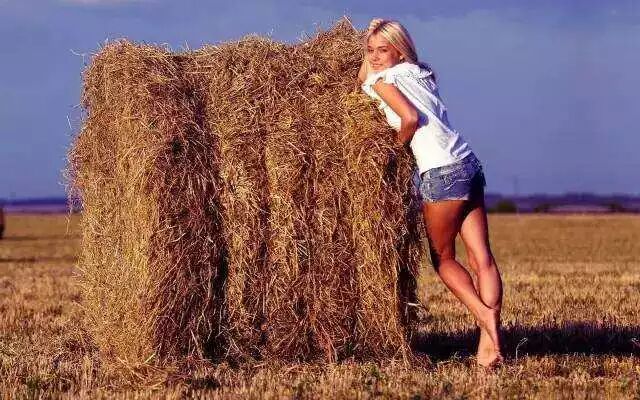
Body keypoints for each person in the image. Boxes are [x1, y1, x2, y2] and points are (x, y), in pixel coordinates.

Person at [358, 18, 504, 368]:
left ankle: (486, 318)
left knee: (443, 259)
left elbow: (407, 117)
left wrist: (395, 153)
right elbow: (375, 73)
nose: (375, 57)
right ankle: (488, 349)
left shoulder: (382, 81)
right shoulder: (419, 72)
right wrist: (372, 39)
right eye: (370, 50)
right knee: (482, 258)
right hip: (468, 164)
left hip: (440, 173)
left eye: (383, 50)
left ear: (399, 51)